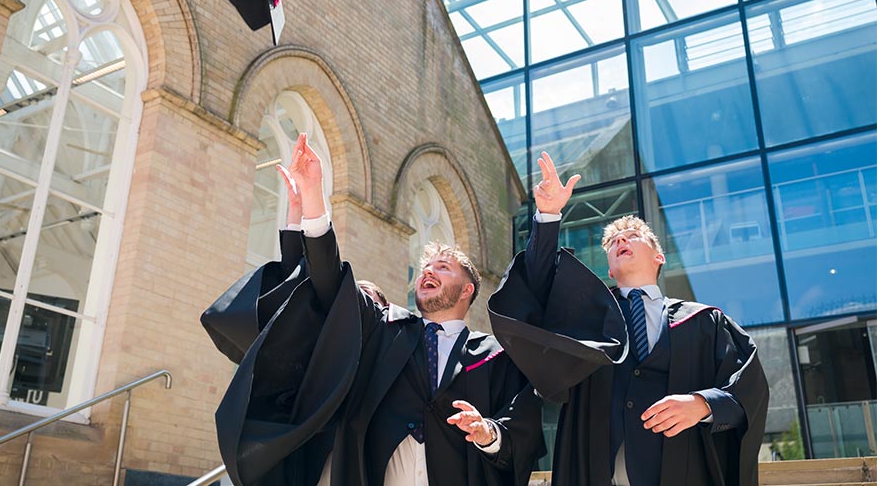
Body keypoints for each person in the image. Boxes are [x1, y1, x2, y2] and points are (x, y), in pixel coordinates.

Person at [203, 134, 545, 486]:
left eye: (443, 267)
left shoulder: (494, 356)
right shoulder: (387, 329)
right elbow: (330, 282)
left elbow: (522, 431)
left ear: (468, 289)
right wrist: (311, 201)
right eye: (425, 267)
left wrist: (487, 432)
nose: (428, 271)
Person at [489, 151, 769, 486]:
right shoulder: (586, 319)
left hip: (682, 471)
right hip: (597, 470)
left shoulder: (705, 322)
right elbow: (534, 290)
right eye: (613, 242)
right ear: (609, 268)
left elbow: (750, 387)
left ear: (659, 256)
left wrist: (703, 404)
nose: (621, 239)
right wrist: (548, 216)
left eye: (632, 237)